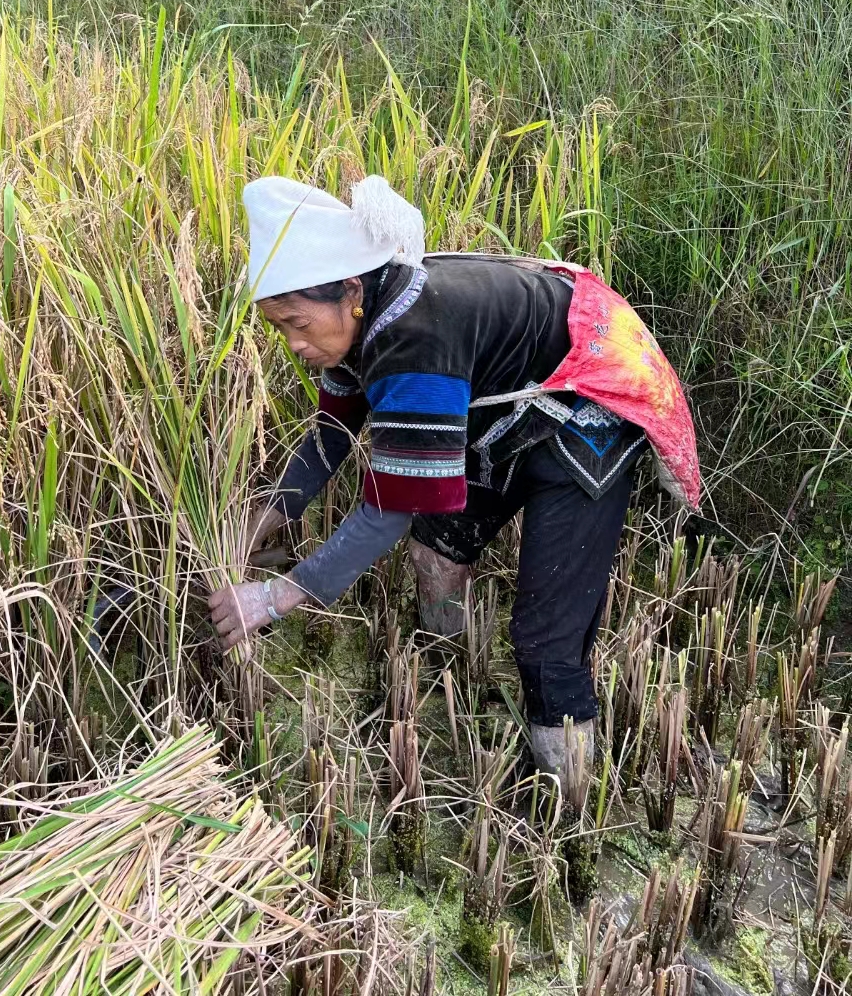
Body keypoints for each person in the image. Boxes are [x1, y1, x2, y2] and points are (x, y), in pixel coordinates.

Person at [208, 175, 700, 780]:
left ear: (350, 292)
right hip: (510, 412)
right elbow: (335, 427)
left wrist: (278, 596)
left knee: (546, 644)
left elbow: (391, 506)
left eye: (298, 323)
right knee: (438, 550)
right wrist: (275, 510)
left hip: (587, 414)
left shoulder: (414, 337)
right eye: (279, 328)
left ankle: (566, 808)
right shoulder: (360, 326)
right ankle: (448, 684)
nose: (294, 343)